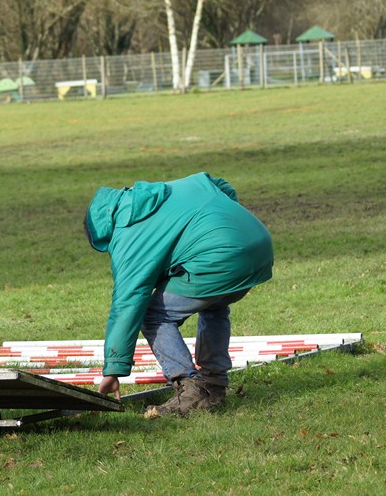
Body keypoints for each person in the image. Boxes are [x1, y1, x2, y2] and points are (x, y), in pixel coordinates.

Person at [84, 172, 273, 418]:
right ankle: (214, 384)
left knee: (153, 315)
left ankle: (190, 389)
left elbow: (129, 301)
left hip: (221, 258)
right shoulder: (175, 188)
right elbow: (221, 185)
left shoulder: (128, 235)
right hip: (258, 245)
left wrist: (113, 370)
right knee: (214, 304)